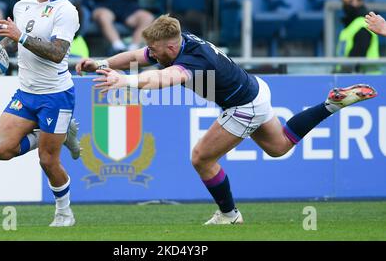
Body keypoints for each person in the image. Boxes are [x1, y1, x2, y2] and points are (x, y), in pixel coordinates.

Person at [76, 15, 378, 225]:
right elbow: (142, 56)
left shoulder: (191, 62)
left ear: (170, 48)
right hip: (254, 90)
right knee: (280, 146)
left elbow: (162, 78)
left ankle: (229, 214)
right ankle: (330, 104)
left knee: (201, 158)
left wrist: (124, 82)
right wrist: (101, 64)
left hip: (243, 106)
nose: (151, 53)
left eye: (156, 50)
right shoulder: (180, 42)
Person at [0, 0, 81, 227]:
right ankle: (54, 133)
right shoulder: (22, 6)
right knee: (1, 149)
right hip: (26, 92)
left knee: (47, 160)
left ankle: (64, 213)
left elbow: (57, 53)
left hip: (56, 96)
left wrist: (20, 36)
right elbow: (15, 44)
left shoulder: (66, 11)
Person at [336, 0, 379, 73]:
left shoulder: (364, 25)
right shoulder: (349, 26)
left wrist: (341, 73)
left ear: (360, 1)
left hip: (365, 81)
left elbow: (355, 60)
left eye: (351, 1)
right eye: (344, 2)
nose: (347, 5)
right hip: (352, 80)